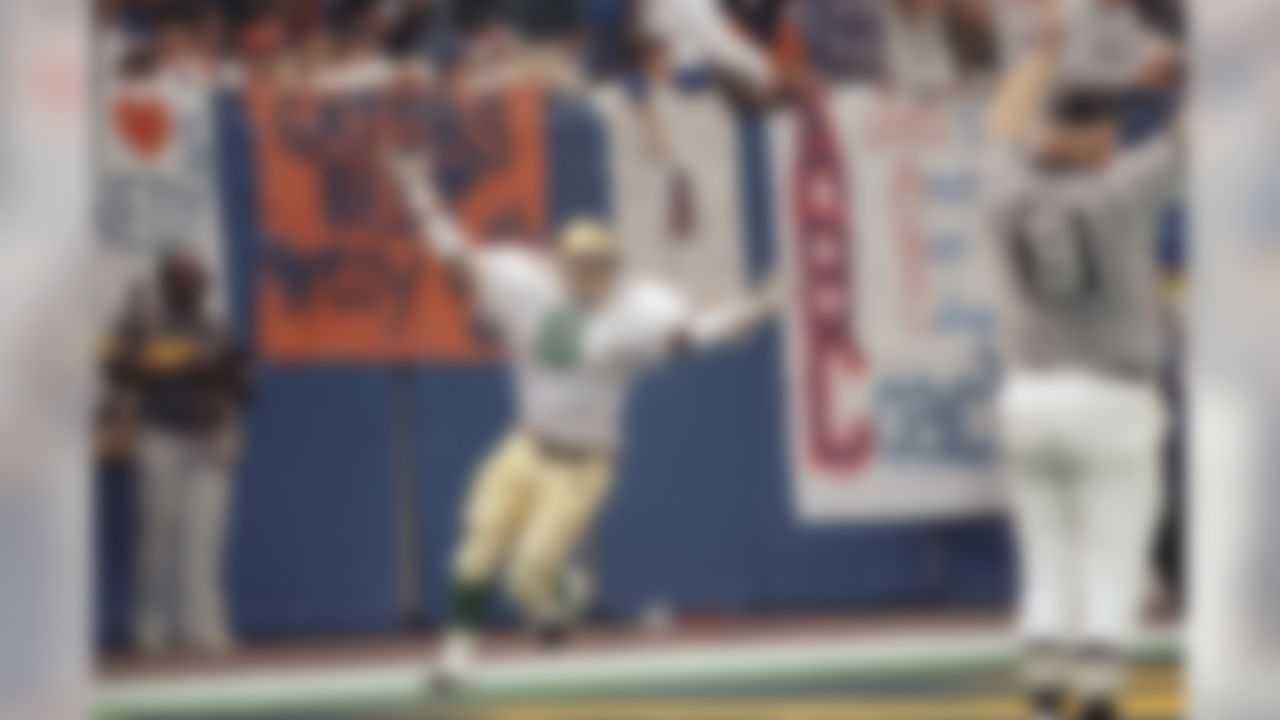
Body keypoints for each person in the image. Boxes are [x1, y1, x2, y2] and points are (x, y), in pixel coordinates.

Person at [385, 147, 785, 690]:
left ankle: (559, 596)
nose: (591, 273)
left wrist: (747, 313)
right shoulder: (525, 286)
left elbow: (685, 335)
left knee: (528, 573)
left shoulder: (636, 309)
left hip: (584, 465)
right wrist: (420, 197)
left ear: (616, 267)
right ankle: (456, 661)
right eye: (581, 262)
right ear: (558, 261)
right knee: (476, 548)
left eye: (601, 263)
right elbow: (459, 265)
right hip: (526, 446)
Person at [985, 9, 1184, 720]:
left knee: (1045, 560)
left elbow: (1002, 123)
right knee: (1113, 557)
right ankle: (1098, 700)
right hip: (1112, 401)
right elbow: (1189, 137)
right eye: (1108, 128)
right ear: (1097, 137)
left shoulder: (1005, 186)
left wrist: (1043, 54)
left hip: (1030, 396)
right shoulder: (1119, 189)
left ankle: (1043, 701)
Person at [103, 248, 253, 656]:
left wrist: (227, 371)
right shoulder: (142, 322)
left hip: (210, 436)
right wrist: (176, 364)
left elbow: (244, 386)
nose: (191, 284)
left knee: (204, 538)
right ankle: (150, 626)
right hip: (161, 434)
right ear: (165, 281)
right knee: (158, 533)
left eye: (197, 278)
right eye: (181, 277)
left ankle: (203, 626)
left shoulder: (216, 328)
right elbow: (117, 368)